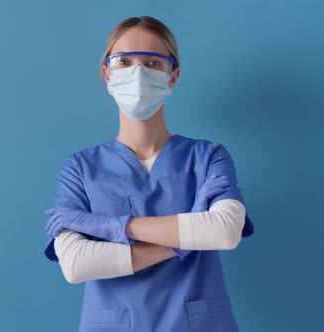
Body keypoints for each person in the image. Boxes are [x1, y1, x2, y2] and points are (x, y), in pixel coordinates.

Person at [43, 16, 255, 332]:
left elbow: (223, 231)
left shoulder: (208, 157)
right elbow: (77, 264)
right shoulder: (79, 168)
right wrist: (186, 239)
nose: (138, 73)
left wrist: (108, 226)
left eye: (154, 62)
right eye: (124, 61)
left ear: (173, 76)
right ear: (106, 72)